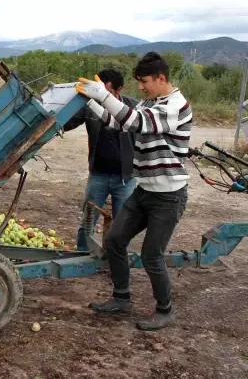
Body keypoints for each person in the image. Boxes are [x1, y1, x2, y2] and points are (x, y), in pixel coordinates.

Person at [75, 52, 192, 331]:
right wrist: (91, 100)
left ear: (161, 78)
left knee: (152, 255)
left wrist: (104, 95)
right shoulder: (151, 102)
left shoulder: (176, 105)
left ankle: (165, 310)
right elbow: (120, 124)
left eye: (145, 81)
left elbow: (137, 122)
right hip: (145, 190)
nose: (141, 87)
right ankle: (121, 298)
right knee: (115, 240)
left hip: (168, 195)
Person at [64, 69, 138, 252]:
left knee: (122, 225)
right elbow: (67, 123)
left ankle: (115, 261)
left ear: (119, 90)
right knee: (88, 221)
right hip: (98, 175)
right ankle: (81, 255)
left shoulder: (133, 109)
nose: (102, 98)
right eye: (99, 92)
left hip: (125, 179)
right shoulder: (91, 106)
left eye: (107, 93)